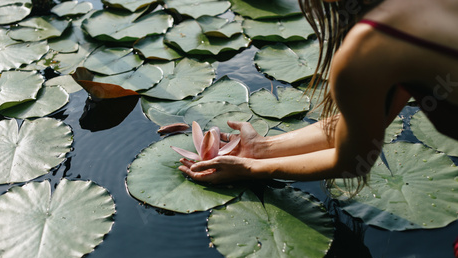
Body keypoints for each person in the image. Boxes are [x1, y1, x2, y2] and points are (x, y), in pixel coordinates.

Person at [178, 0, 458, 188]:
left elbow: (353, 161)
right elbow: (358, 126)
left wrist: (251, 170)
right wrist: (261, 150)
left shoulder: (370, 47)